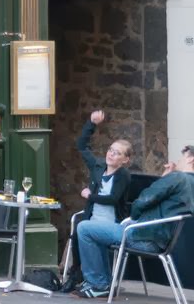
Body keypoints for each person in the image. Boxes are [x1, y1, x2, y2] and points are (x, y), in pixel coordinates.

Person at [74, 145, 194, 298]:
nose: (179, 160)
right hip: (161, 239)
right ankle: (102, 283)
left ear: (191, 159)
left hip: (143, 237)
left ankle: (98, 284)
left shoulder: (178, 177)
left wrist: (135, 216)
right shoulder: (190, 182)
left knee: (84, 228)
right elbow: (161, 198)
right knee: (97, 231)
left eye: (183, 157)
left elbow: (144, 199)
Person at [61, 110, 133, 293]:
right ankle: (91, 279)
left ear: (125, 160)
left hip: (113, 224)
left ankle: (97, 282)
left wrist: (89, 195)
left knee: (84, 229)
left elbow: (112, 199)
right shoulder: (98, 166)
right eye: (110, 150)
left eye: (117, 153)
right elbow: (82, 146)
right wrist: (91, 124)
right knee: (80, 229)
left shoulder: (123, 175)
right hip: (93, 220)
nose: (111, 154)